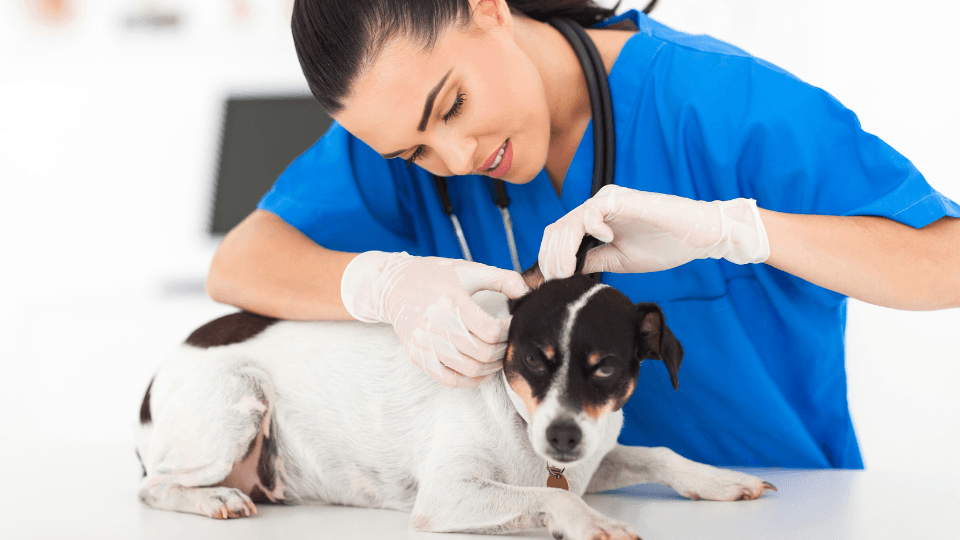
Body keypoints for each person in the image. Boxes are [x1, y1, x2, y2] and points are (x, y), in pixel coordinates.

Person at [206, 0, 960, 469]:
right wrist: (382, 285)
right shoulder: (406, 147)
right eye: (414, 151)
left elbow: (947, 259)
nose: (458, 159)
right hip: (554, 515)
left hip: (774, 511)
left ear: (490, 6)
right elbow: (240, 263)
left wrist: (737, 230)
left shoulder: (714, 102)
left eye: (456, 105)